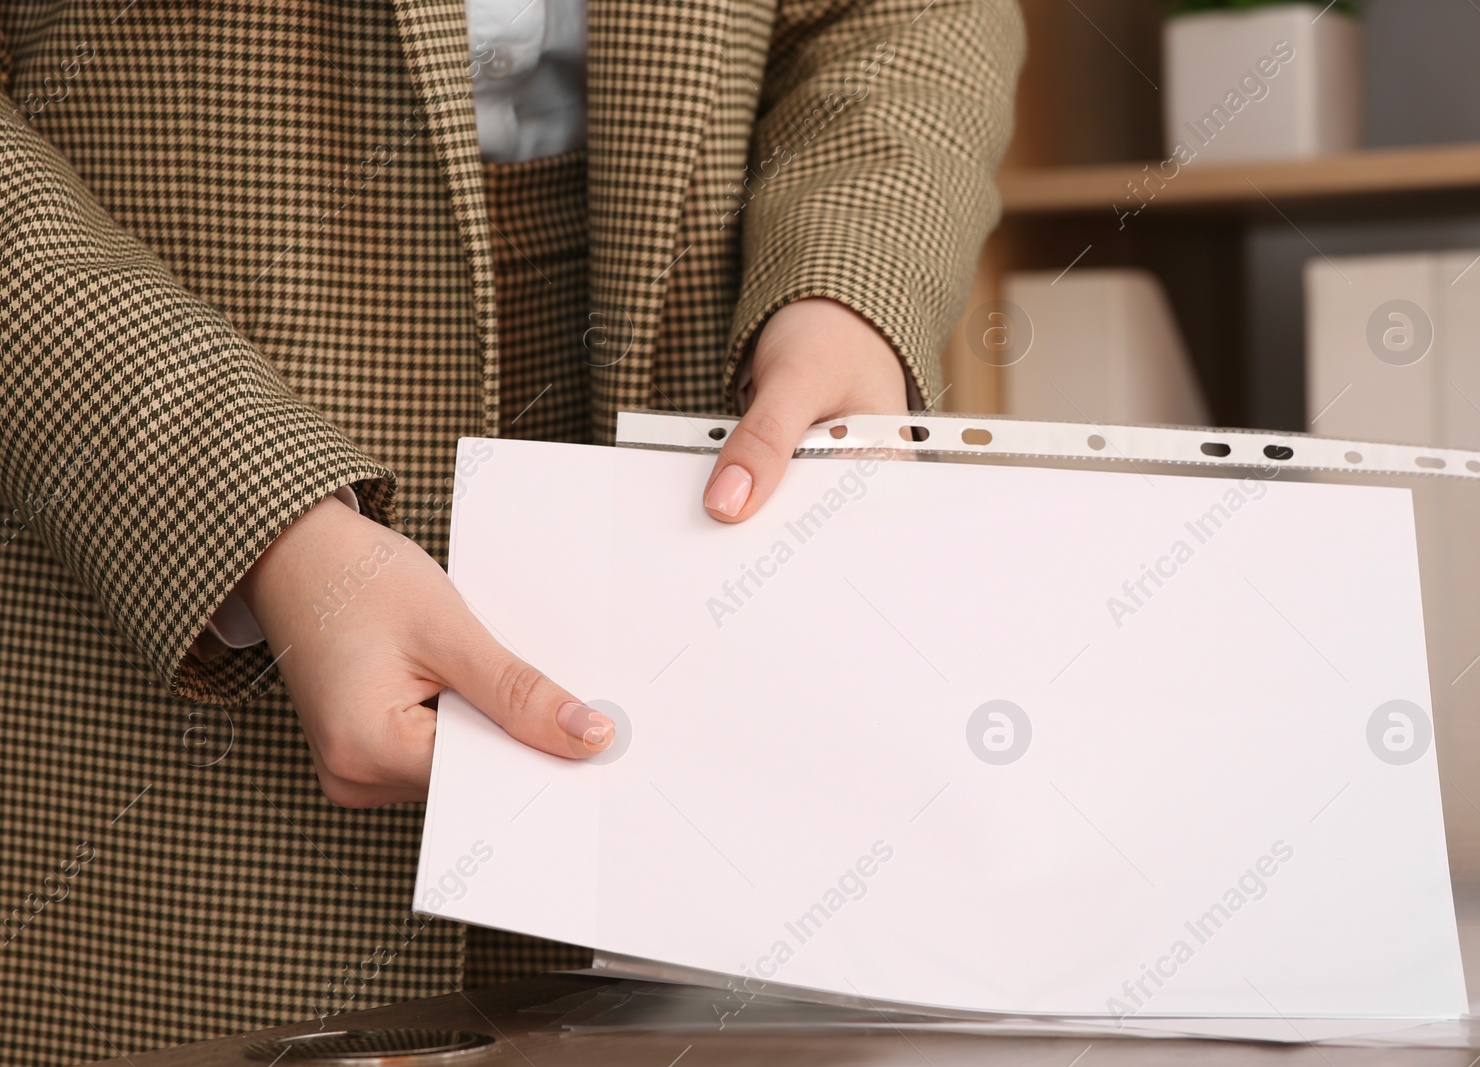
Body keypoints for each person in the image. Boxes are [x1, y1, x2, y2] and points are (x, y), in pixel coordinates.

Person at [0, 0, 1023, 1061]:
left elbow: (911, 18)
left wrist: (847, 285)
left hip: (706, 451)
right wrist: (247, 511)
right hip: (134, 589)